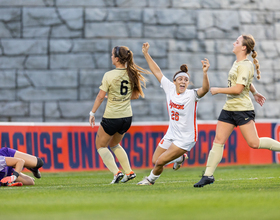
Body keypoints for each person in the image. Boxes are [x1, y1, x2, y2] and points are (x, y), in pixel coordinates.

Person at [194, 34, 279, 188]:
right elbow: (245, 83)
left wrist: (218, 90)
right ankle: (207, 176)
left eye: (237, 42)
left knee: (254, 143)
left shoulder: (245, 65)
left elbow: (238, 89)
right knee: (218, 141)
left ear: (244, 47)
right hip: (229, 108)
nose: (234, 43)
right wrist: (254, 92)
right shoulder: (238, 62)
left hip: (242, 110)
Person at [137, 42, 210, 185]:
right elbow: (157, 71)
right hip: (171, 134)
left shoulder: (191, 95)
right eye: (180, 79)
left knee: (159, 162)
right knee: (154, 160)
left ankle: (150, 180)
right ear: (174, 81)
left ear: (188, 83)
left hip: (186, 138)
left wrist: (205, 73)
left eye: (186, 80)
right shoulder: (169, 88)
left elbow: (206, 89)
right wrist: (146, 54)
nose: (183, 82)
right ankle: (180, 158)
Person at [89, 45, 149, 184]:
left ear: (116, 59)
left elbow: (99, 96)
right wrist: (116, 96)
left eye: (112, 55)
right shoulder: (131, 73)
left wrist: (92, 112)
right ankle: (129, 172)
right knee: (115, 144)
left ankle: (117, 173)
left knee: (100, 146)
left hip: (112, 116)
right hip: (127, 117)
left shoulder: (109, 75)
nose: (111, 57)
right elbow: (134, 96)